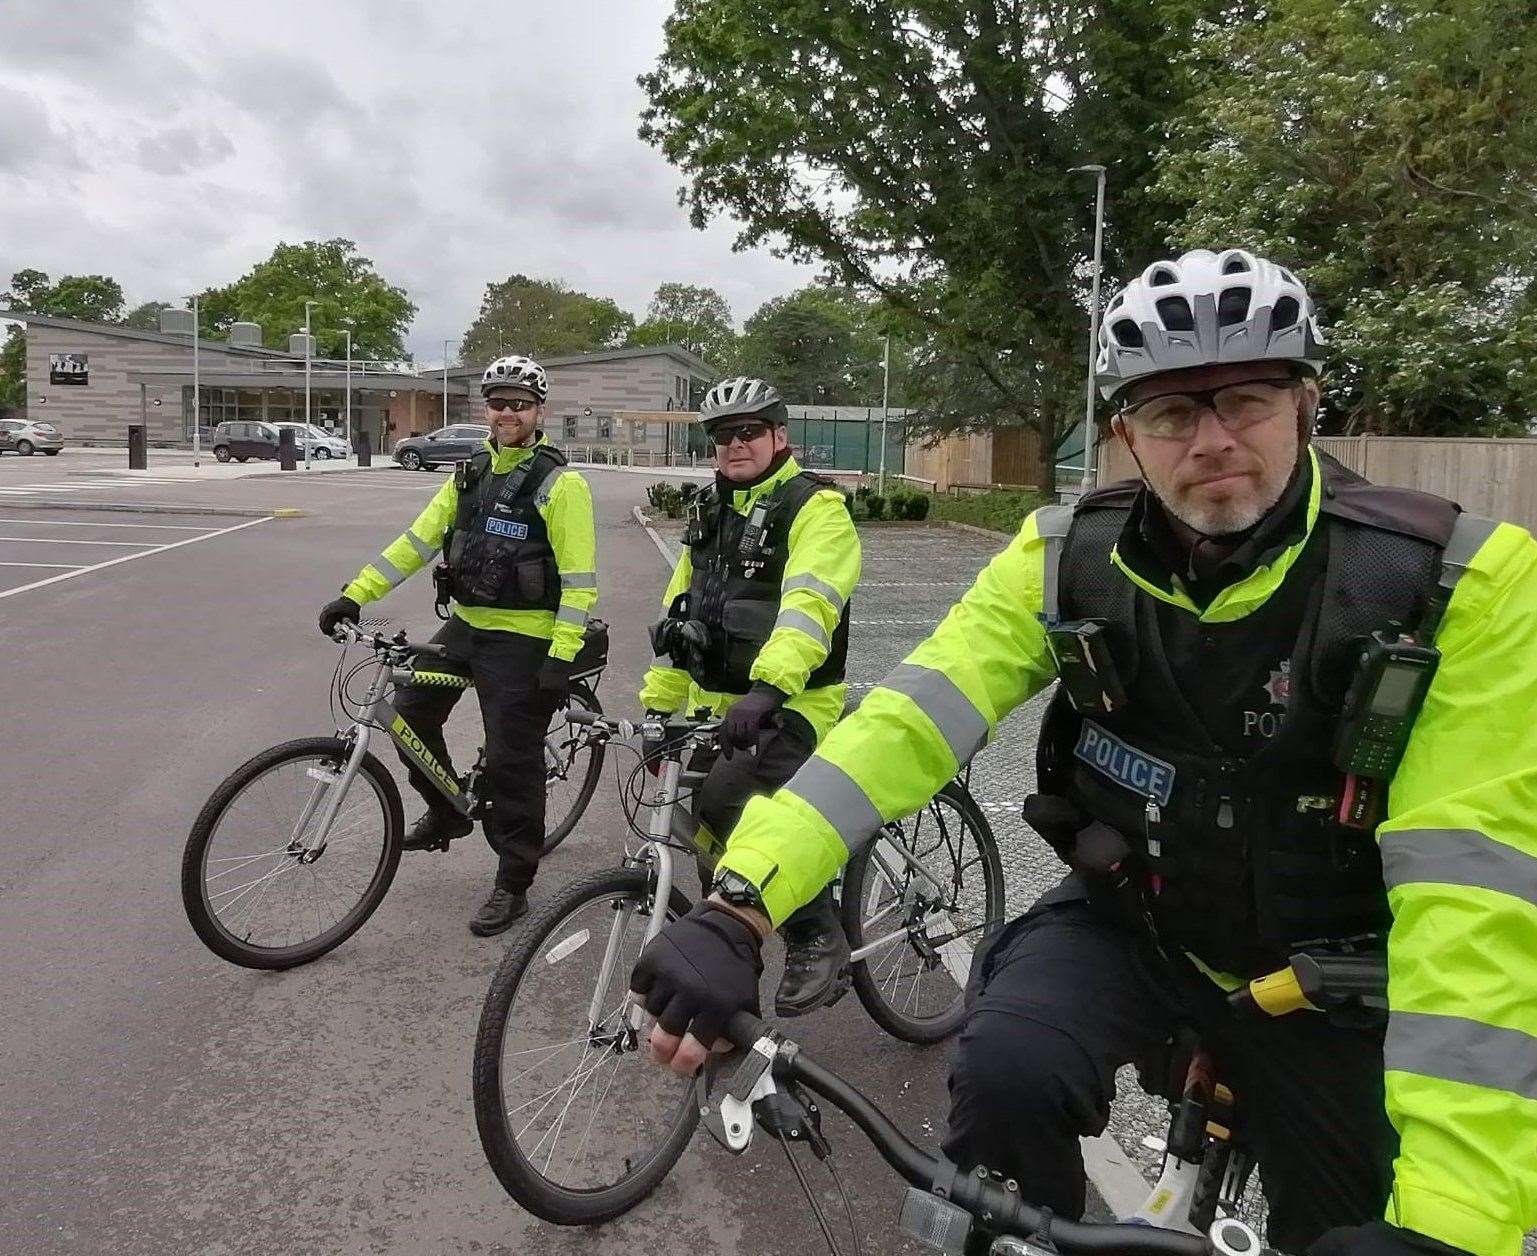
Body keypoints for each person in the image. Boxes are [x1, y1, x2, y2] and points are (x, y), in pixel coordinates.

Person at [630, 251, 1537, 1256]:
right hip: (1138, 915)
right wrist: (738, 901)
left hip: (1334, 972)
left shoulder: (1455, 584)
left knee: (1353, 1222)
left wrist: (1458, 1223)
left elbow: (1476, 899)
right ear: (1125, 435)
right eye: (1170, 415)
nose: (1214, 440)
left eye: (1246, 399)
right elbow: (904, 721)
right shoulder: (1065, 556)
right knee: (1002, 1084)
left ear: (1307, 403)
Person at [318, 354, 597, 936]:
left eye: (520, 403)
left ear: (539, 411)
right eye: (498, 402)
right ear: (486, 409)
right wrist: (355, 594)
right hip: (467, 625)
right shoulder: (468, 473)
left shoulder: (560, 484)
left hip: (526, 638)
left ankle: (514, 881)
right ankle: (448, 811)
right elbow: (419, 541)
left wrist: (561, 655)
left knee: (510, 757)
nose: (507, 412)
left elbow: (578, 580)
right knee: (412, 712)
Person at [638, 376, 861, 1016]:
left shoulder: (815, 509)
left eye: (747, 432)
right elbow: (681, 619)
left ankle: (819, 934)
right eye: (721, 436)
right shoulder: (711, 513)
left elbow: (811, 607)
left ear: (778, 436)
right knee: (709, 841)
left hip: (793, 705)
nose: (733, 446)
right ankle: (732, 982)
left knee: (733, 803)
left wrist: (768, 689)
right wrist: (659, 706)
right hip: (722, 710)